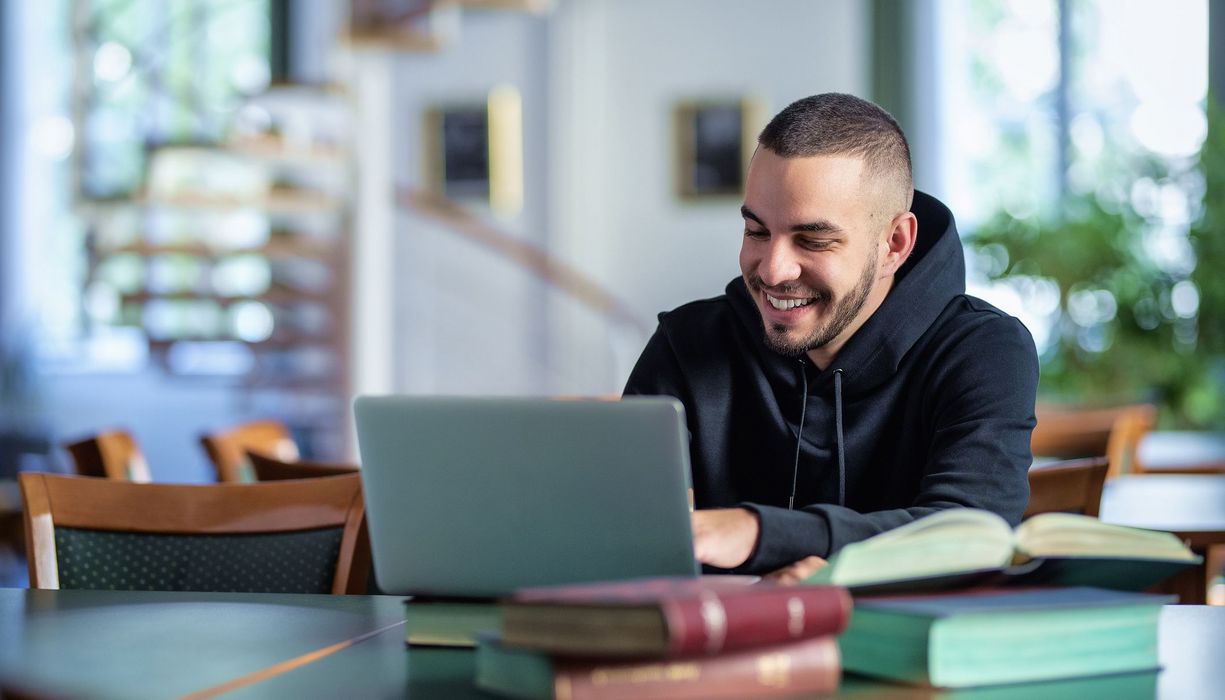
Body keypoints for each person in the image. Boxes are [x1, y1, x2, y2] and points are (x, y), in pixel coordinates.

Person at [623, 93, 1039, 578]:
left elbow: (969, 537)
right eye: (757, 232)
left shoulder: (984, 352)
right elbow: (616, 531)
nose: (774, 270)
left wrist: (759, 532)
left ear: (894, 244)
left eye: (813, 241)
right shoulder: (687, 342)